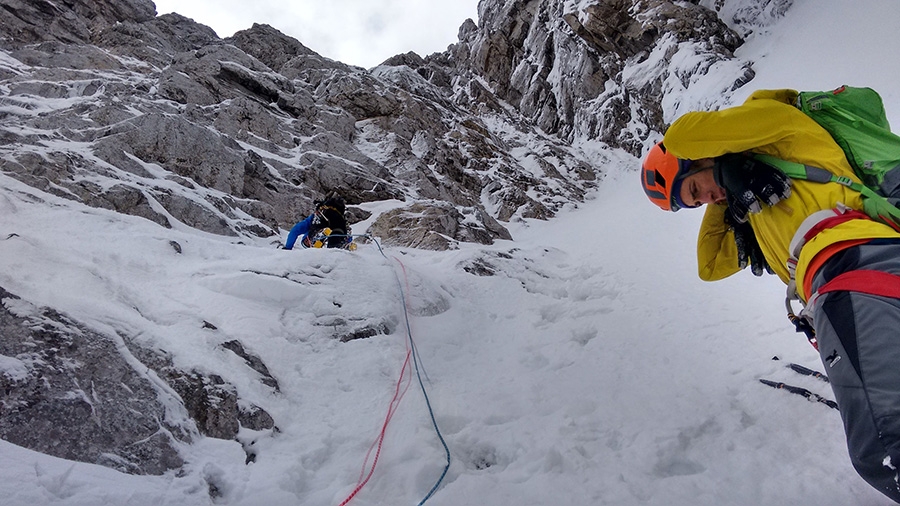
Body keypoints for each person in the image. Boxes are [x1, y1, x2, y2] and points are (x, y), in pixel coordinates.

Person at [641, 88, 900, 503]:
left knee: (884, 445)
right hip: (855, 273)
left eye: (694, 191)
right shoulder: (761, 190)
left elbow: (682, 134)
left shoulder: (776, 123)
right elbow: (711, 265)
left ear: (695, 159)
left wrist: (725, 164)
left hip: (852, 267)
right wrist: (724, 185)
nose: (703, 200)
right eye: (695, 203)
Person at [283, 195, 354, 250]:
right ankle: (343, 244)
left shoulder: (311, 221)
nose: (307, 244)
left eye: (306, 242)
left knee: (325, 235)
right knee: (337, 238)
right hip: (338, 224)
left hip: (324, 222)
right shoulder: (340, 216)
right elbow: (294, 231)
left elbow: (295, 230)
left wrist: (288, 247)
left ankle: (320, 235)